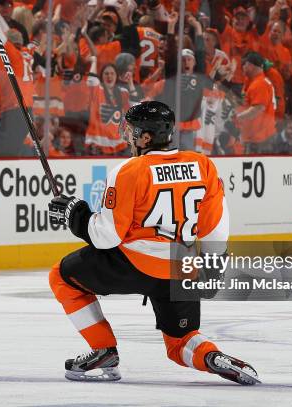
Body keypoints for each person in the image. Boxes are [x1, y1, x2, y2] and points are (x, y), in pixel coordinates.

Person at [47, 101, 260, 385]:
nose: (128, 135)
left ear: (146, 137)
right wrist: (214, 267)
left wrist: (76, 213)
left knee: (62, 277)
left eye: (133, 130)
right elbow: (216, 227)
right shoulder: (203, 164)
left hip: (133, 264)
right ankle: (211, 356)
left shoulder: (129, 170)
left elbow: (106, 236)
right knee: (180, 341)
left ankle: (103, 350)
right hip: (182, 267)